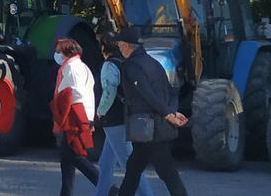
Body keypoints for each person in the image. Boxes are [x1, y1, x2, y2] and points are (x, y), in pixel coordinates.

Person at [115, 27, 188, 196]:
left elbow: (147, 93)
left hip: (148, 127)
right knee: (134, 167)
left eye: (119, 45)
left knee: (168, 173)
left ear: (126, 45)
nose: (119, 48)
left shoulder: (131, 66)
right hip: (151, 127)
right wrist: (172, 111)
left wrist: (168, 114)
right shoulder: (154, 63)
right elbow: (171, 91)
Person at [95, 33, 153, 196]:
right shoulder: (125, 63)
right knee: (105, 163)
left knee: (130, 166)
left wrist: (100, 111)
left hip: (113, 119)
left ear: (104, 47)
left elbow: (109, 91)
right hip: (126, 115)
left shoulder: (109, 65)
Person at [51, 37, 98, 196]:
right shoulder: (79, 66)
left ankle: (109, 188)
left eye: (58, 51)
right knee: (67, 158)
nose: (56, 54)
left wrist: (62, 109)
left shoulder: (72, 68)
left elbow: (74, 93)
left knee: (75, 156)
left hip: (74, 116)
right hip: (79, 114)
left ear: (66, 51)